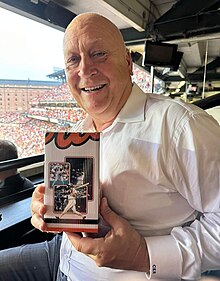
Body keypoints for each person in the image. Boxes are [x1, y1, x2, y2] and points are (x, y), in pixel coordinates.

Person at [0, 12, 219, 281]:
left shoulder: (182, 127)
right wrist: (46, 206)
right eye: (73, 60)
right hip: (61, 253)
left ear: (127, 62)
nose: (84, 70)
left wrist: (145, 254)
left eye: (98, 53)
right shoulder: (77, 132)